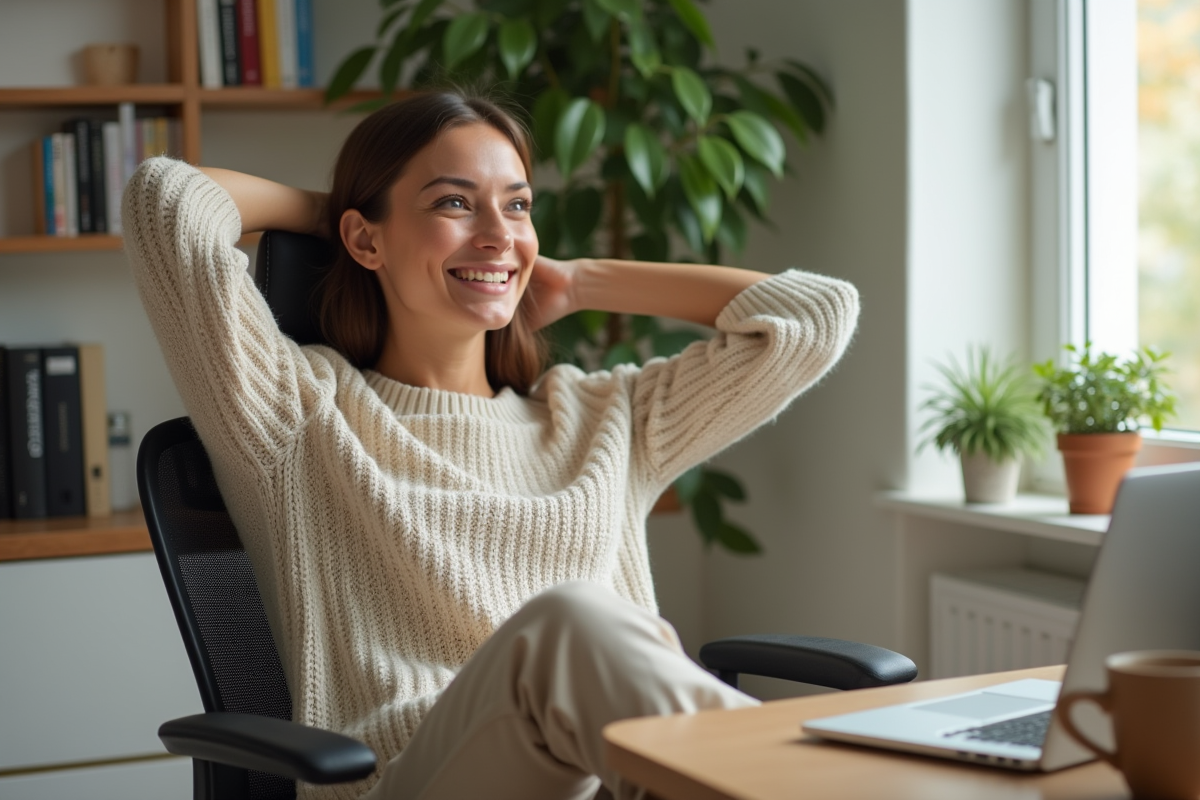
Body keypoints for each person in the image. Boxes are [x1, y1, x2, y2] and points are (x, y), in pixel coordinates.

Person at [123, 91, 859, 800]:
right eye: (452, 202)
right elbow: (166, 202)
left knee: (582, 631)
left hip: (612, 776)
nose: (499, 233)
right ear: (364, 239)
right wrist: (335, 215)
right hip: (407, 779)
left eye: (518, 205)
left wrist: (576, 281)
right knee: (575, 624)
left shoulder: (604, 418)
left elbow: (815, 317)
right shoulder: (299, 413)